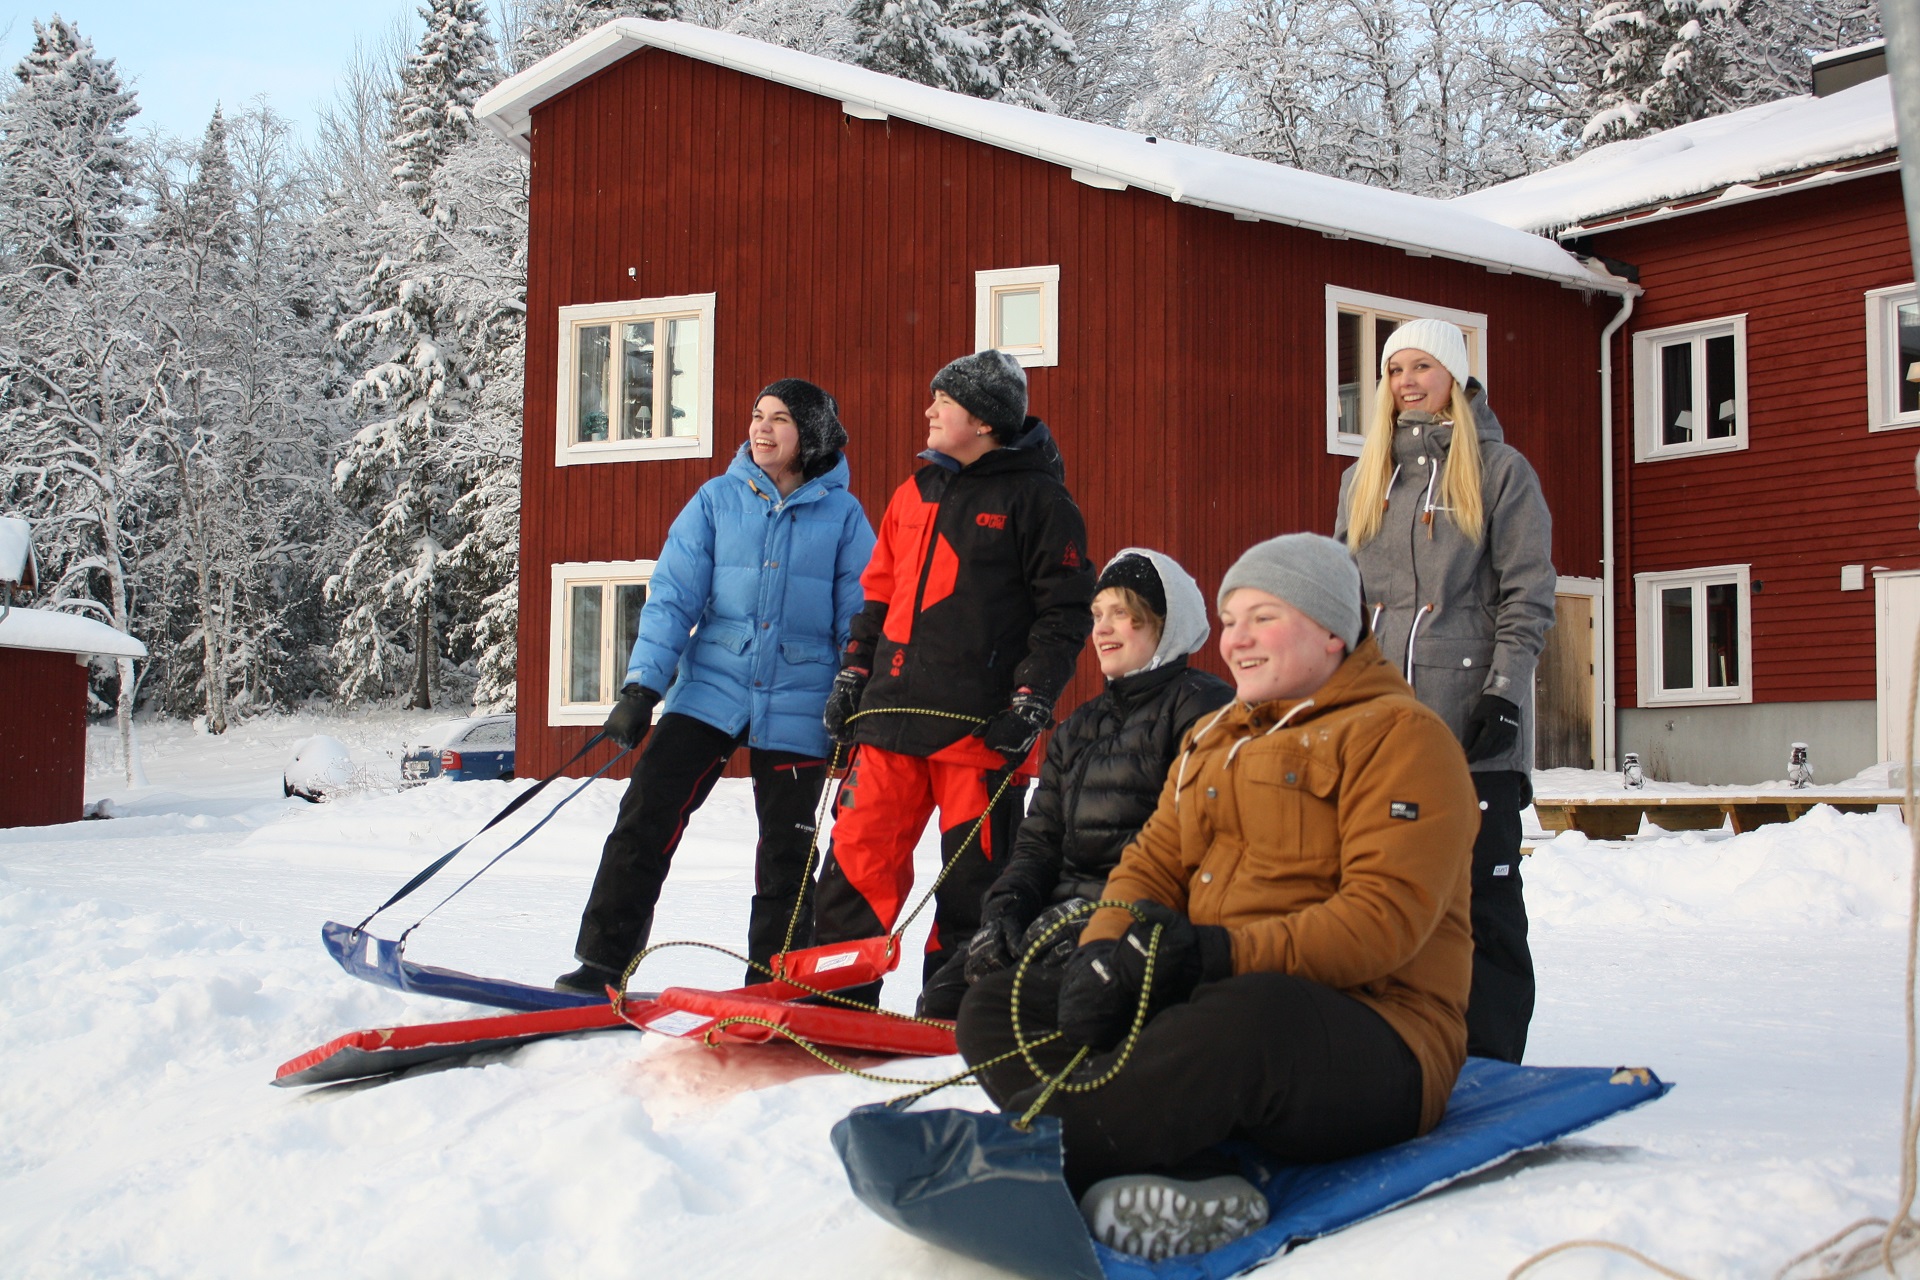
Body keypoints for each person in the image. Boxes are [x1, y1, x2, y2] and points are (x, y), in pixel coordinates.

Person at [955, 534, 1479, 1262]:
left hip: (1372, 1033)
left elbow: (1384, 922)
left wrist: (1210, 955)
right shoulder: (1216, 737)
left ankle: (1044, 1161)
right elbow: (1148, 865)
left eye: (1263, 617)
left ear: (1332, 630)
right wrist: (1103, 956)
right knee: (1001, 1003)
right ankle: (1177, 1173)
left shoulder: (1399, 736)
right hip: (1213, 1007)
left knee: (1250, 1012)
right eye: (1231, 620)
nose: (1237, 640)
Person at [555, 379, 876, 993]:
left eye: (780, 420)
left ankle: (775, 983)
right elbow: (673, 598)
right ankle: (601, 962)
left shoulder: (843, 516)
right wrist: (641, 689)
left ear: (809, 435)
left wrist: (852, 691)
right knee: (645, 815)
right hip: (712, 687)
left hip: (802, 697)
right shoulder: (716, 500)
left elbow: (857, 618)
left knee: (788, 849)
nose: (762, 429)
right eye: (757, 416)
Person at [811, 350, 1095, 1000]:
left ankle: (956, 1010)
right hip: (888, 719)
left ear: (986, 420)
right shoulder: (913, 492)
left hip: (978, 730)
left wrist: (1031, 699)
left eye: (946, 402)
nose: (929, 411)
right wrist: (854, 673)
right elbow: (876, 595)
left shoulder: (1041, 501)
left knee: (976, 881)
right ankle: (836, 1000)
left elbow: (1065, 611)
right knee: (858, 858)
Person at [1334, 317, 1556, 1064]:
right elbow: (1339, 602)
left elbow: (1528, 595)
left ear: (1454, 376)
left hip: (1471, 727)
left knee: (1481, 902)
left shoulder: (1500, 472)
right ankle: (1403, 1049)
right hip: (1382, 733)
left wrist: (1501, 696)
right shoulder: (1363, 478)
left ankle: (1492, 1060)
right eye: (1395, 371)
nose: (1406, 384)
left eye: (1422, 367)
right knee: (1385, 897)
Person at [916, 548, 1233, 1018]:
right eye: (1097, 615)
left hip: (1140, 926)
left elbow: (1198, 849)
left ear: (1163, 623)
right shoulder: (1077, 729)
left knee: (1003, 1009)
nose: (1100, 630)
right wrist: (1006, 912)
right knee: (945, 997)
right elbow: (1037, 846)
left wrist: (1101, 918)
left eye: (1120, 614)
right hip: (1059, 921)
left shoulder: (1201, 709)